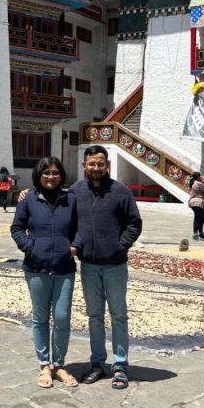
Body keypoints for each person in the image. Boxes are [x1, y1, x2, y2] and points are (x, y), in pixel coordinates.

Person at [72, 145, 143, 390]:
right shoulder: (76, 191)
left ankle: (120, 365)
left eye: (100, 163)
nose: (96, 168)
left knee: (118, 315)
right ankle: (98, 363)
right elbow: (64, 216)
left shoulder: (120, 191)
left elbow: (134, 223)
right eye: (92, 164)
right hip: (89, 265)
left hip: (114, 265)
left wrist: (119, 246)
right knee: (94, 317)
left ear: (107, 165)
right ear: (84, 165)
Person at [10, 156, 79, 388]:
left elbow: (79, 228)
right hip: (36, 267)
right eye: (46, 173)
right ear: (39, 175)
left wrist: (74, 246)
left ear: (62, 175)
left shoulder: (70, 199)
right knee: (40, 318)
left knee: (62, 317)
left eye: (55, 173)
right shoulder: (28, 199)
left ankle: (59, 364)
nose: (51, 177)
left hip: (64, 268)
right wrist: (30, 247)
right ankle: (44, 366)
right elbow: (17, 227)